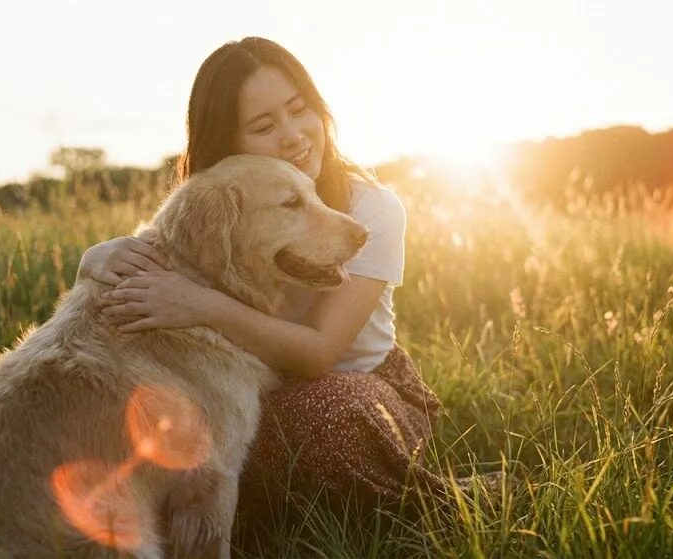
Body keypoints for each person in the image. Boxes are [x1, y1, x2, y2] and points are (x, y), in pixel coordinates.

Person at [77, 37, 448, 525]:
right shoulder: (224, 208)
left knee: (327, 415)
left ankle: (433, 501)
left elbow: (320, 353)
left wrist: (201, 305)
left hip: (358, 390)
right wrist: (94, 259)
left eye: (300, 110)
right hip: (249, 396)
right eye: (264, 126)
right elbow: (160, 262)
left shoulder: (372, 210)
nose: (293, 135)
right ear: (230, 148)